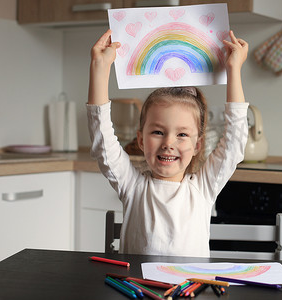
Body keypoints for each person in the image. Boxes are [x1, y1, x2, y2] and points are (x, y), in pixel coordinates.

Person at [87, 29, 249, 257]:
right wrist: (99, 68)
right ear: (141, 140)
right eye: (157, 132)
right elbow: (102, 139)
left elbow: (234, 142)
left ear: (198, 145)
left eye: (182, 135)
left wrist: (234, 70)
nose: (168, 143)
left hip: (188, 290)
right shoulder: (133, 186)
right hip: (140, 290)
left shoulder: (203, 188)